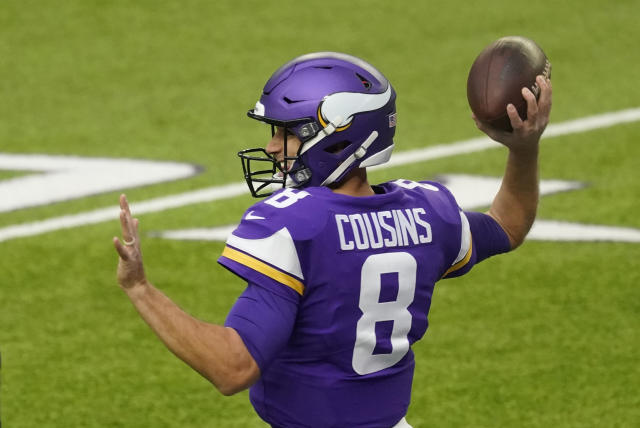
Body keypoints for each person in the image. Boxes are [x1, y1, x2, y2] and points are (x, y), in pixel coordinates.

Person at [114, 52, 552, 428]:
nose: (271, 148)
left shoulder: (294, 225)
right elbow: (507, 226)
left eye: (288, 133)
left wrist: (140, 289)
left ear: (339, 136)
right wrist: (523, 149)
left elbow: (233, 367)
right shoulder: (428, 212)